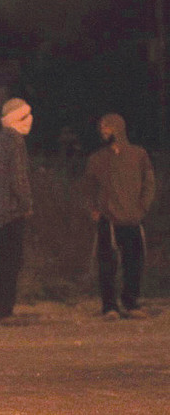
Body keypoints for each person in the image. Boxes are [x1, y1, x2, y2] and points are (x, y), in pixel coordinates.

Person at [84, 113, 156, 320]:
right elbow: (88, 187)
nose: (103, 131)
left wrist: (143, 207)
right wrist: (94, 209)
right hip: (109, 218)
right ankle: (109, 307)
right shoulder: (98, 158)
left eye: (107, 127)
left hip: (133, 217)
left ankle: (131, 303)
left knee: (134, 262)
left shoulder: (138, 155)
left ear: (117, 128)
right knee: (107, 264)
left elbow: (149, 183)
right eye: (102, 127)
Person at [0, 98, 33, 326]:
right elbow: (18, 178)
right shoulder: (15, 141)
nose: (30, 121)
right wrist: (26, 204)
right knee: (10, 262)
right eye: (25, 116)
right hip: (12, 211)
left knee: (1, 262)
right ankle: (3, 312)